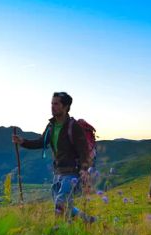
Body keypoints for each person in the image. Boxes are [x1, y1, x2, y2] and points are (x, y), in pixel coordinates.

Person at [12, 92, 96, 223]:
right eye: (52, 103)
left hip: (72, 172)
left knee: (60, 204)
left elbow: (83, 150)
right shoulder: (51, 126)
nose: (52, 107)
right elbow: (41, 142)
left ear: (66, 106)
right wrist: (23, 141)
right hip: (58, 172)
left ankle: (60, 231)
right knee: (65, 205)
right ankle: (88, 220)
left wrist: (84, 169)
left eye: (56, 104)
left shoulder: (73, 126)